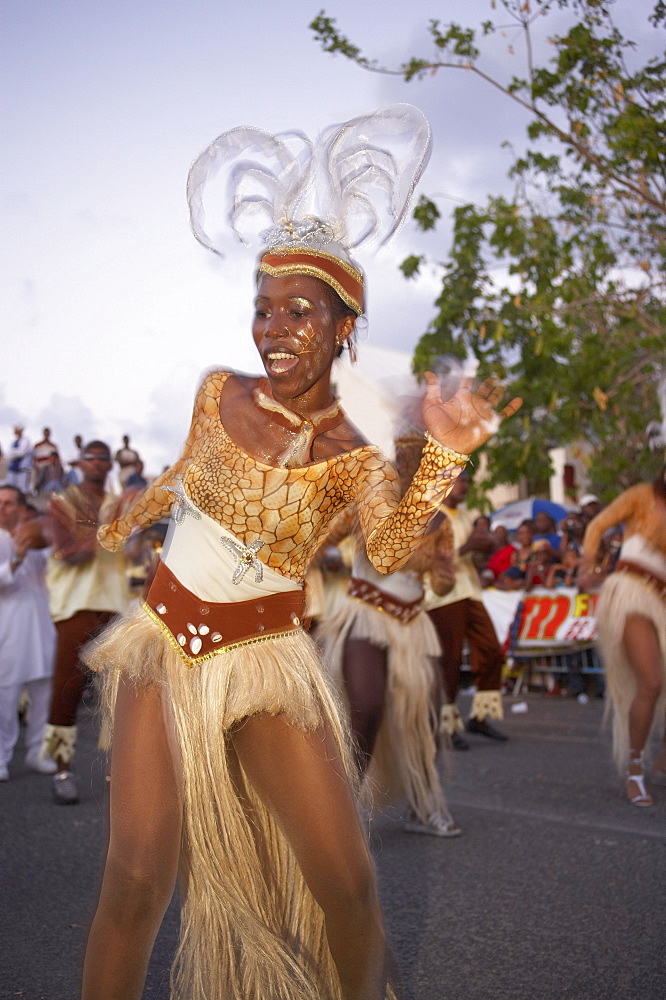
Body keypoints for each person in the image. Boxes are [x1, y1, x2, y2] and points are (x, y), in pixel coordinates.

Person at [78, 108, 521, 1000]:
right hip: (165, 645)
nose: (273, 329)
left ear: (344, 325)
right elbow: (184, 475)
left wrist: (443, 456)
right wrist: (131, 515)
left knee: (347, 884)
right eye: (262, 310)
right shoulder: (217, 391)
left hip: (270, 662)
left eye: (299, 312)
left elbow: (393, 545)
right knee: (135, 878)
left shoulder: (356, 451)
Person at [316, 434, 461, 838]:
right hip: (366, 614)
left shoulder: (440, 522)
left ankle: (422, 804)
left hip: (414, 624)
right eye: (407, 462)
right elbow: (320, 538)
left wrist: (446, 572)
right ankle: (343, 812)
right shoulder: (368, 504)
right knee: (366, 707)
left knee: (426, 716)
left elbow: (443, 585)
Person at [40, 441, 130, 804]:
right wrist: (112, 535)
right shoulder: (60, 503)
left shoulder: (118, 504)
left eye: (101, 458)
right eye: (89, 458)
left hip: (114, 606)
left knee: (120, 695)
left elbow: (141, 547)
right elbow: (69, 553)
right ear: (79, 463)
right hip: (75, 607)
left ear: (109, 465)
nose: (95, 463)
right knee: (67, 691)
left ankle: (118, 771)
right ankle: (63, 769)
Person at [581, 466, 666, 807]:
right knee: (651, 682)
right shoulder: (642, 494)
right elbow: (598, 524)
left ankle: (663, 761)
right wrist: (587, 565)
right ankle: (635, 769)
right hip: (631, 592)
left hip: (662, 599)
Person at [426, 470, 509, 749]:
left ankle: (481, 716)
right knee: (448, 663)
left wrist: (486, 548)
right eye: (461, 480)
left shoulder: (463, 515)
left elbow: (473, 556)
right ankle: (445, 727)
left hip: (471, 592)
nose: (466, 485)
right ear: (445, 484)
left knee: (492, 651)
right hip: (443, 597)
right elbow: (425, 559)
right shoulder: (429, 515)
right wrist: (467, 546)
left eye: (467, 481)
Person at [0, 486, 57, 780]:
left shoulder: (33, 538)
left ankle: (37, 752)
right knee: (5, 699)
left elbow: (56, 564)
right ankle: (1, 758)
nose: (3, 509)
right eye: (0, 503)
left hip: (42, 629)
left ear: (22, 509)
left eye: (9, 504)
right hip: (8, 633)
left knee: (43, 696)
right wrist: (17, 557)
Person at [32, 427, 63, 494]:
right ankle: (37, 491)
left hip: (51, 466)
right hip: (40, 466)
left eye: (48, 433)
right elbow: (34, 457)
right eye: (45, 433)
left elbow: (57, 457)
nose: (46, 435)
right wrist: (36, 465)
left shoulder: (53, 446)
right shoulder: (37, 445)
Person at [7, 424, 33, 494]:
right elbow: (8, 454)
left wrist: (13, 453)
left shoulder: (25, 440)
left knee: (22, 490)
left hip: (22, 470)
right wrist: (14, 453)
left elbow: (21, 452)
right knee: (11, 489)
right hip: (13, 469)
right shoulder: (13, 442)